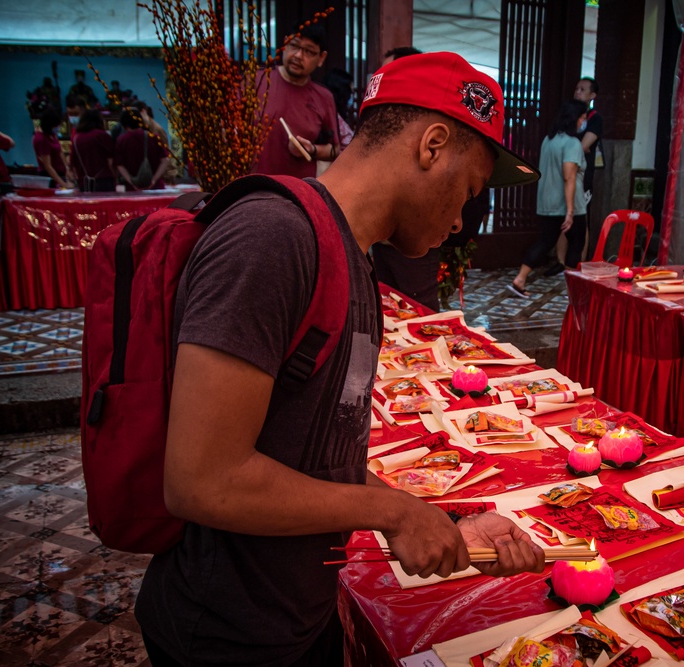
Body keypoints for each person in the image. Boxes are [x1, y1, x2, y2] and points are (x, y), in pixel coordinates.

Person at [134, 51, 542, 665]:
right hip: (223, 635)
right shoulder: (272, 238)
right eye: (468, 191)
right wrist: (393, 511)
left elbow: (316, 457)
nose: (460, 221)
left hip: (299, 615)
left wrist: (443, 521)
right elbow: (201, 479)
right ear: (432, 145)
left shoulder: (349, 254)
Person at [368, 45, 447, 309]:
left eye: (388, 72)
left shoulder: (431, 123)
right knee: (386, 305)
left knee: (420, 306)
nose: (379, 78)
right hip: (380, 234)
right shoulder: (383, 120)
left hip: (414, 233)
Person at [510, 99, 589, 297]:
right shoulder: (572, 143)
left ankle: (520, 278)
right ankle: (573, 288)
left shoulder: (549, 140)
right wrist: (570, 211)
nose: (583, 122)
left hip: (547, 203)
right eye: (582, 118)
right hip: (570, 206)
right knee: (576, 244)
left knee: (545, 242)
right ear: (574, 119)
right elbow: (569, 176)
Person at [253, 24, 340, 178]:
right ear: (285, 43)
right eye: (294, 46)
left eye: (309, 51)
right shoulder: (256, 82)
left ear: (321, 58)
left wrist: (311, 149)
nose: (299, 55)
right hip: (249, 190)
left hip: (296, 193)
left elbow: (334, 149)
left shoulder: (323, 97)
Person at [548, 77, 603, 276]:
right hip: (563, 173)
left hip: (581, 177)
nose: (577, 92)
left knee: (580, 219)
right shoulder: (569, 116)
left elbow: (582, 147)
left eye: (583, 89)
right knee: (564, 216)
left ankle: (579, 262)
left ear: (592, 95)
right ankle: (561, 261)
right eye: (576, 88)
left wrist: (570, 152)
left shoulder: (595, 119)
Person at [115, 109, 170, 190]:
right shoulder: (154, 137)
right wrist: (154, 180)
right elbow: (165, 160)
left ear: (124, 124)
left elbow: (119, 165)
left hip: (132, 190)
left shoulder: (121, 140)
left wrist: (132, 182)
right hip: (156, 187)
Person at [72, 109, 116, 192]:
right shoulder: (103, 135)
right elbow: (110, 161)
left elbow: (74, 164)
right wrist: (116, 178)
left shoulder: (76, 138)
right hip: (104, 181)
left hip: (84, 182)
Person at [32, 108, 72, 190]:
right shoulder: (41, 139)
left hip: (60, 173)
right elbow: (48, 166)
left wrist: (67, 168)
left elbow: (59, 151)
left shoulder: (52, 134)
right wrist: (63, 184)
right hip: (49, 178)